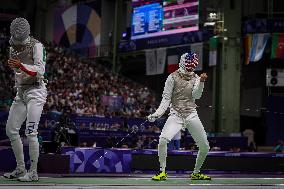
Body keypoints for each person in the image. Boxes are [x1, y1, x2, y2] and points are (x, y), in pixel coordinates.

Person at [147, 52, 211, 181]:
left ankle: (196, 173)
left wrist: (202, 82)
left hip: (191, 114)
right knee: (163, 140)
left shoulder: (197, 78)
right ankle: (162, 172)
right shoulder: (172, 77)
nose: (190, 69)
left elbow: (196, 96)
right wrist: (157, 114)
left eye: (192, 67)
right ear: (182, 63)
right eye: (188, 66)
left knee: (205, 146)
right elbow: (166, 99)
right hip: (176, 114)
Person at [3, 18, 47, 182]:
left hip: (36, 91)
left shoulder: (37, 46)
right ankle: (21, 168)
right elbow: (18, 72)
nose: (16, 45)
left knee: (30, 132)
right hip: (21, 92)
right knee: (11, 130)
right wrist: (15, 67)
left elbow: (40, 71)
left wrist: (21, 66)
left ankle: (33, 172)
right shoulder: (12, 47)